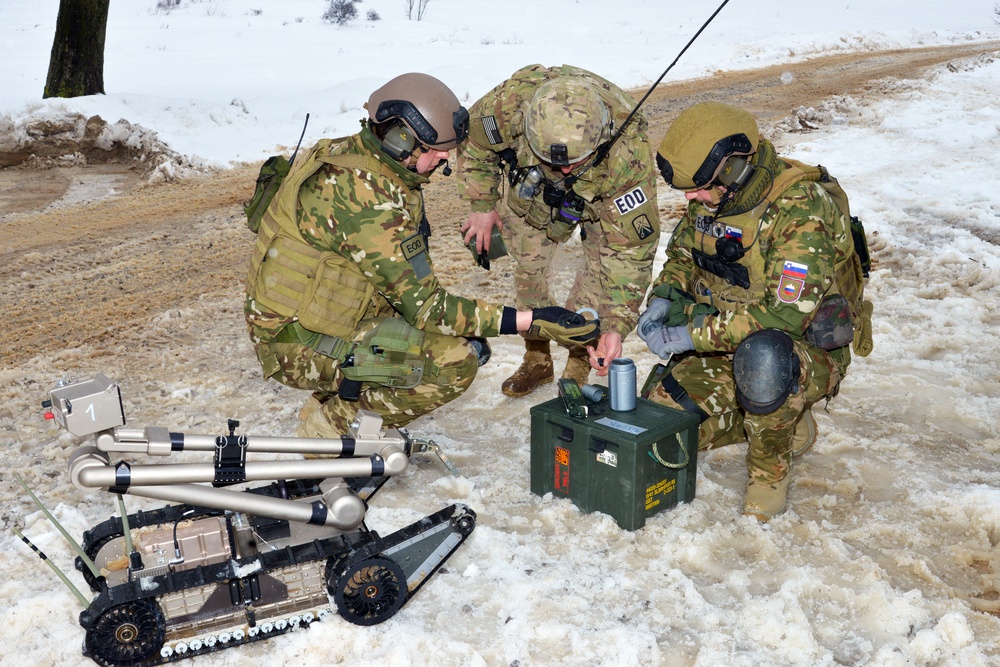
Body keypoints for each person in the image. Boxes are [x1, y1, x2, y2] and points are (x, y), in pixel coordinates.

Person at [243, 72, 599, 438]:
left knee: (458, 337)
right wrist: (534, 320)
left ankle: (328, 402)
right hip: (295, 342)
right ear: (401, 139)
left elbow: (407, 287)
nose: (444, 160)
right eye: (436, 151)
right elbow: (429, 307)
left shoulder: (359, 159)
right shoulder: (368, 201)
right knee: (453, 361)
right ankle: (331, 429)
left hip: (319, 318)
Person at [637, 101, 871, 521]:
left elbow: (783, 317)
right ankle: (770, 419)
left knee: (764, 362)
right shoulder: (713, 198)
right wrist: (665, 294)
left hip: (798, 351)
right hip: (724, 342)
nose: (691, 197)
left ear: (733, 168)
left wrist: (691, 335)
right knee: (663, 428)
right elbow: (683, 255)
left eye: (699, 186)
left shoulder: (800, 210)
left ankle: (770, 469)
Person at [456, 64, 660, 397]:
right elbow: (475, 146)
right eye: (554, 160)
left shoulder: (627, 157)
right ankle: (537, 358)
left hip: (599, 198)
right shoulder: (508, 107)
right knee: (528, 273)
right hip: (534, 194)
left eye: (573, 162)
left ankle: (580, 361)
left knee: (597, 276)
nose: (564, 169)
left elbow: (629, 254)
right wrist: (482, 206)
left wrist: (614, 327)